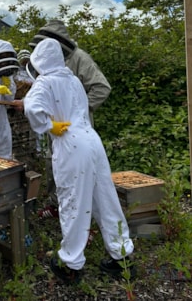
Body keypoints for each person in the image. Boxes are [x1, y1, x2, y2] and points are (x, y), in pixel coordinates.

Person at [22, 38, 134, 283]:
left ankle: (70, 263)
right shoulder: (72, 79)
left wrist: (49, 126)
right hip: (93, 141)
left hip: (71, 143)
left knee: (73, 201)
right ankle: (122, 255)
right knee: (106, 198)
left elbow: (31, 108)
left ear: (38, 61)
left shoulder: (45, 82)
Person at [29, 19, 111, 218]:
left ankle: (84, 216)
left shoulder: (80, 58)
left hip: (76, 129)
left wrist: (78, 110)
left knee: (80, 171)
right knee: (53, 163)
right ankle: (55, 205)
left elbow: (102, 88)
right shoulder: (50, 63)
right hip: (55, 127)